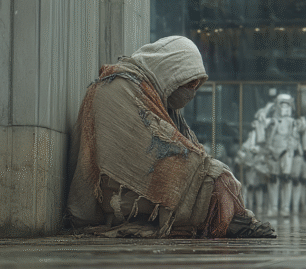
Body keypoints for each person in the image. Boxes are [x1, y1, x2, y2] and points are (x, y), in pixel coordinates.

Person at [66, 36, 275, 238]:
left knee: (219, 178)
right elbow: (150, 149)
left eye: (196, 86)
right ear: (171, 70)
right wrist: (207, 172)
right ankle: (230, 223)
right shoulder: (117, 88)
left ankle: (236, 221)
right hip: (118, 190)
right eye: (188, 84)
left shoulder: (154, 94)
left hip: (141, 185)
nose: (191, 92)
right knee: (213, 181)